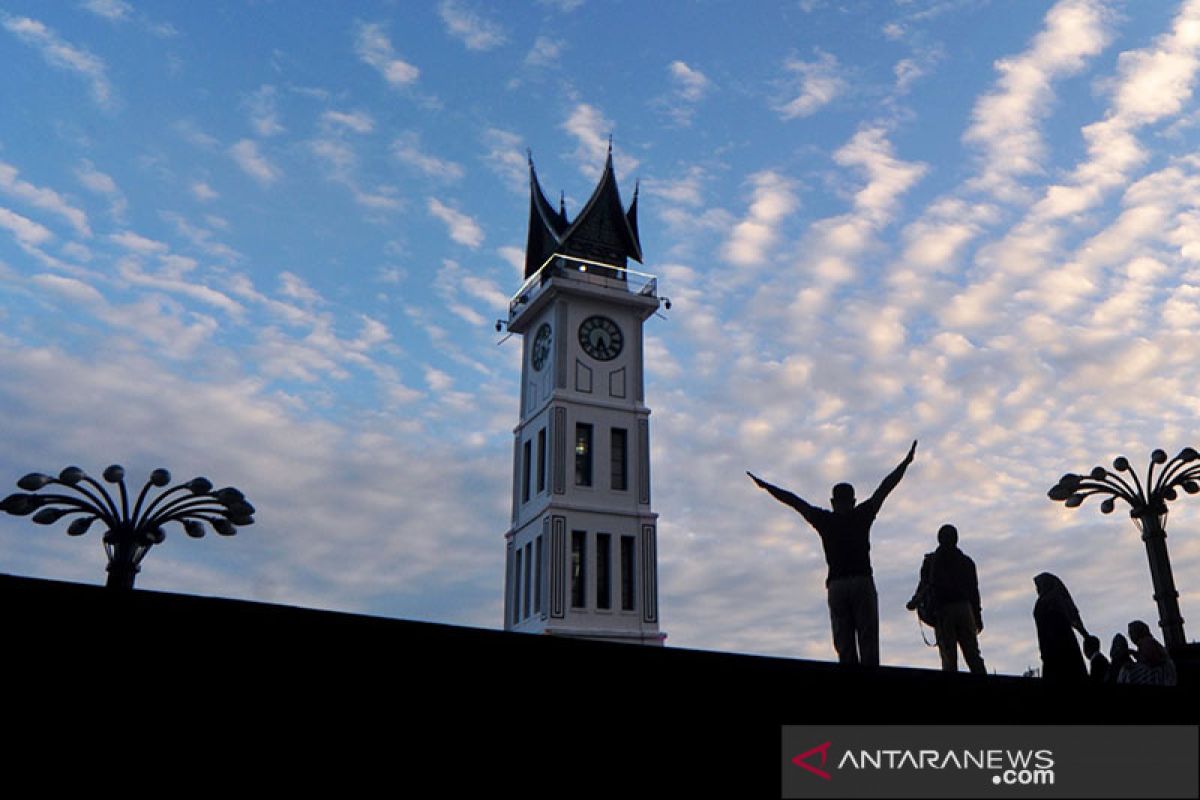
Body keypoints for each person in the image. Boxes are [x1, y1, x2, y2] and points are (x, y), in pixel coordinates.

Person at [748, 440, 917, 666]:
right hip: (861, 582)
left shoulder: (824, 520)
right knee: (868, 641)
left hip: (837, 586)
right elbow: (884, 488)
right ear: (853, 501)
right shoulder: (862, 515)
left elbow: (795, 501)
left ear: (833, 501)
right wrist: (905, 463)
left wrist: (767, 486)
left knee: (844, 644)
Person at [906, 524, 986, 674]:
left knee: (949, 658)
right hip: (964, 610)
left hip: (944, 611)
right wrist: (977, 616)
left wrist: (915, 601)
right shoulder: (967, 562)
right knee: (972, 655)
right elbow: (974, 593)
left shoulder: (931, 561)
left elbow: (925, 585)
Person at [1032, 572, 1089, 682]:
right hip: (1058, 647)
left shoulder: (1049, 601)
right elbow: (1073, 618)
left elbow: (1072, 618)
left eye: (1038, 586)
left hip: (1057, 647)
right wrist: (1085, 634)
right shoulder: (1055, 600)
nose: (1037, 590)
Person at [1124, 620, 1177, 686]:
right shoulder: (1146, 643)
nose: (1131, 636)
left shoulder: (1146, 642)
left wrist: (1134, 664)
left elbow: (1152, 661)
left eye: (1132, 633)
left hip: (1160, 675)